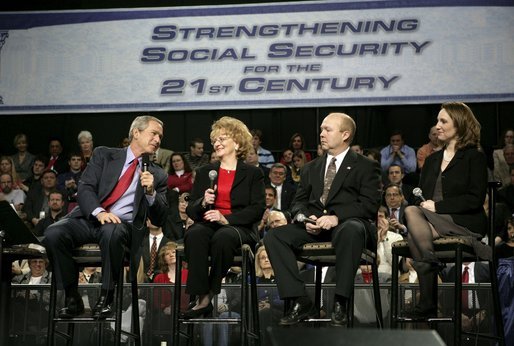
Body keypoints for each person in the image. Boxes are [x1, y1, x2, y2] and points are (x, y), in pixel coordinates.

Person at [42, 115, 168, 319]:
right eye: (154, 133)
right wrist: (100, 212)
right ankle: (72, 298)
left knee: (112, 230)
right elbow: (85, 188)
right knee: (53, 233)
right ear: (136, 133)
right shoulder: (104, 154)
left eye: (160, 136)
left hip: (122, 226)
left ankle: (106, 297)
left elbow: (161, 217)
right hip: (90, 218)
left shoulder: (158, 175)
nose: (158, 139)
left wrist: (151, 192)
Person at [264, 112, 381, 326]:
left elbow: (369, 204)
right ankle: (299, 299)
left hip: (349, 227)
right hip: (316, 228)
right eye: (321, 130)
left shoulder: (365, 165)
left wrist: (337, 217)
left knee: (351, 229)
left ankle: (341, 301)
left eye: (327, 129)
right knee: (274, 237)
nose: (321, 134)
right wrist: (305, 218)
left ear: (345, 134)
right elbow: (297, 204)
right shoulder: (311, 168)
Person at [403, 102, 488, 318]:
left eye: (443, 121)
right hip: (431, 223)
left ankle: (427, 297)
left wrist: (437, 206)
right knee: (414, 215)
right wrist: (423, 202)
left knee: (412, 216)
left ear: (458, 125)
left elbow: (474, 200)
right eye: (437, 121)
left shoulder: (474, 156)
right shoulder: (431, 160)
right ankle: (428, 262)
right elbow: (422, 194)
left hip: (463, 221)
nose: (437, 126)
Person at [182, 116, 265, 319]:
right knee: (194, 234)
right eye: (215, 140)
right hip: (208, 223)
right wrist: (203, 201)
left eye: (222, 139)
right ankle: (199, 295)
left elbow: (257, 209)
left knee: (223, 237)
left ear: (237, 143)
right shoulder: (205, 172)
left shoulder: (253, 174)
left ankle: (207, 297)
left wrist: (227, 219)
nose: (216, 143)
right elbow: (192, 211)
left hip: (238, 227)